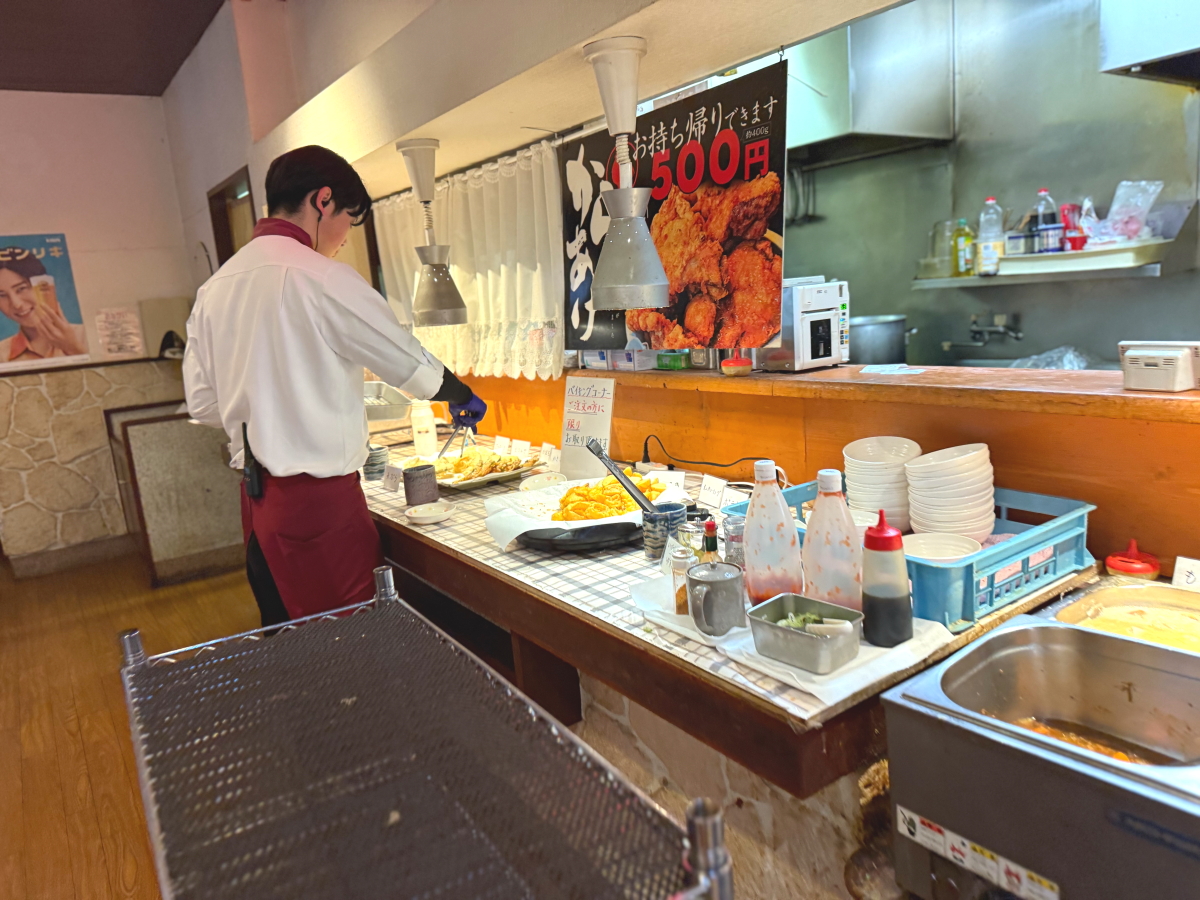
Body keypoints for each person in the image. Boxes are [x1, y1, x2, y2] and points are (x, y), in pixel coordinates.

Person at [184, 145, 486, 628]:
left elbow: (202, 404)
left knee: (292, 640)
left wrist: (266, 406)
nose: (345, 237)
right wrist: (461, 395)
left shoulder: (215, 287)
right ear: (322, 200)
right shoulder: (322, 278)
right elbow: (407, 362)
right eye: (349, 218)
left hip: (256, 505)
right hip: (318, 508)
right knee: (354, 641)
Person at [0, 251, 88, 363]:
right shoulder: (2, 353)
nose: (16, 304)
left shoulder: (86, 334)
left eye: (21, 288)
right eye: (1, 295)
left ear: (44, 285)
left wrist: (72, 348)